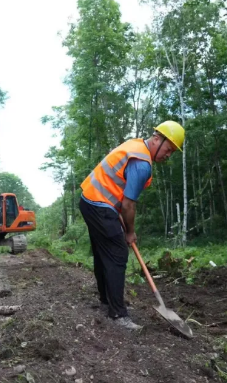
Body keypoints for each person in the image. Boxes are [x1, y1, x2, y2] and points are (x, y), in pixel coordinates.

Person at [79, 121, 185, 330]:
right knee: (117, 254)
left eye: (172, 152)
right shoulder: (142, 163)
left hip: (89, 200)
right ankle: (118, 315)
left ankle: (106, 301)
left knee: (104, 253)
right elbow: (128, 204)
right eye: (168, 149)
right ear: (157, 138)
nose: (168, 155)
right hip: (100, 205)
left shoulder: (135, 145)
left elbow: (118, 188)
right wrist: (130, 232)